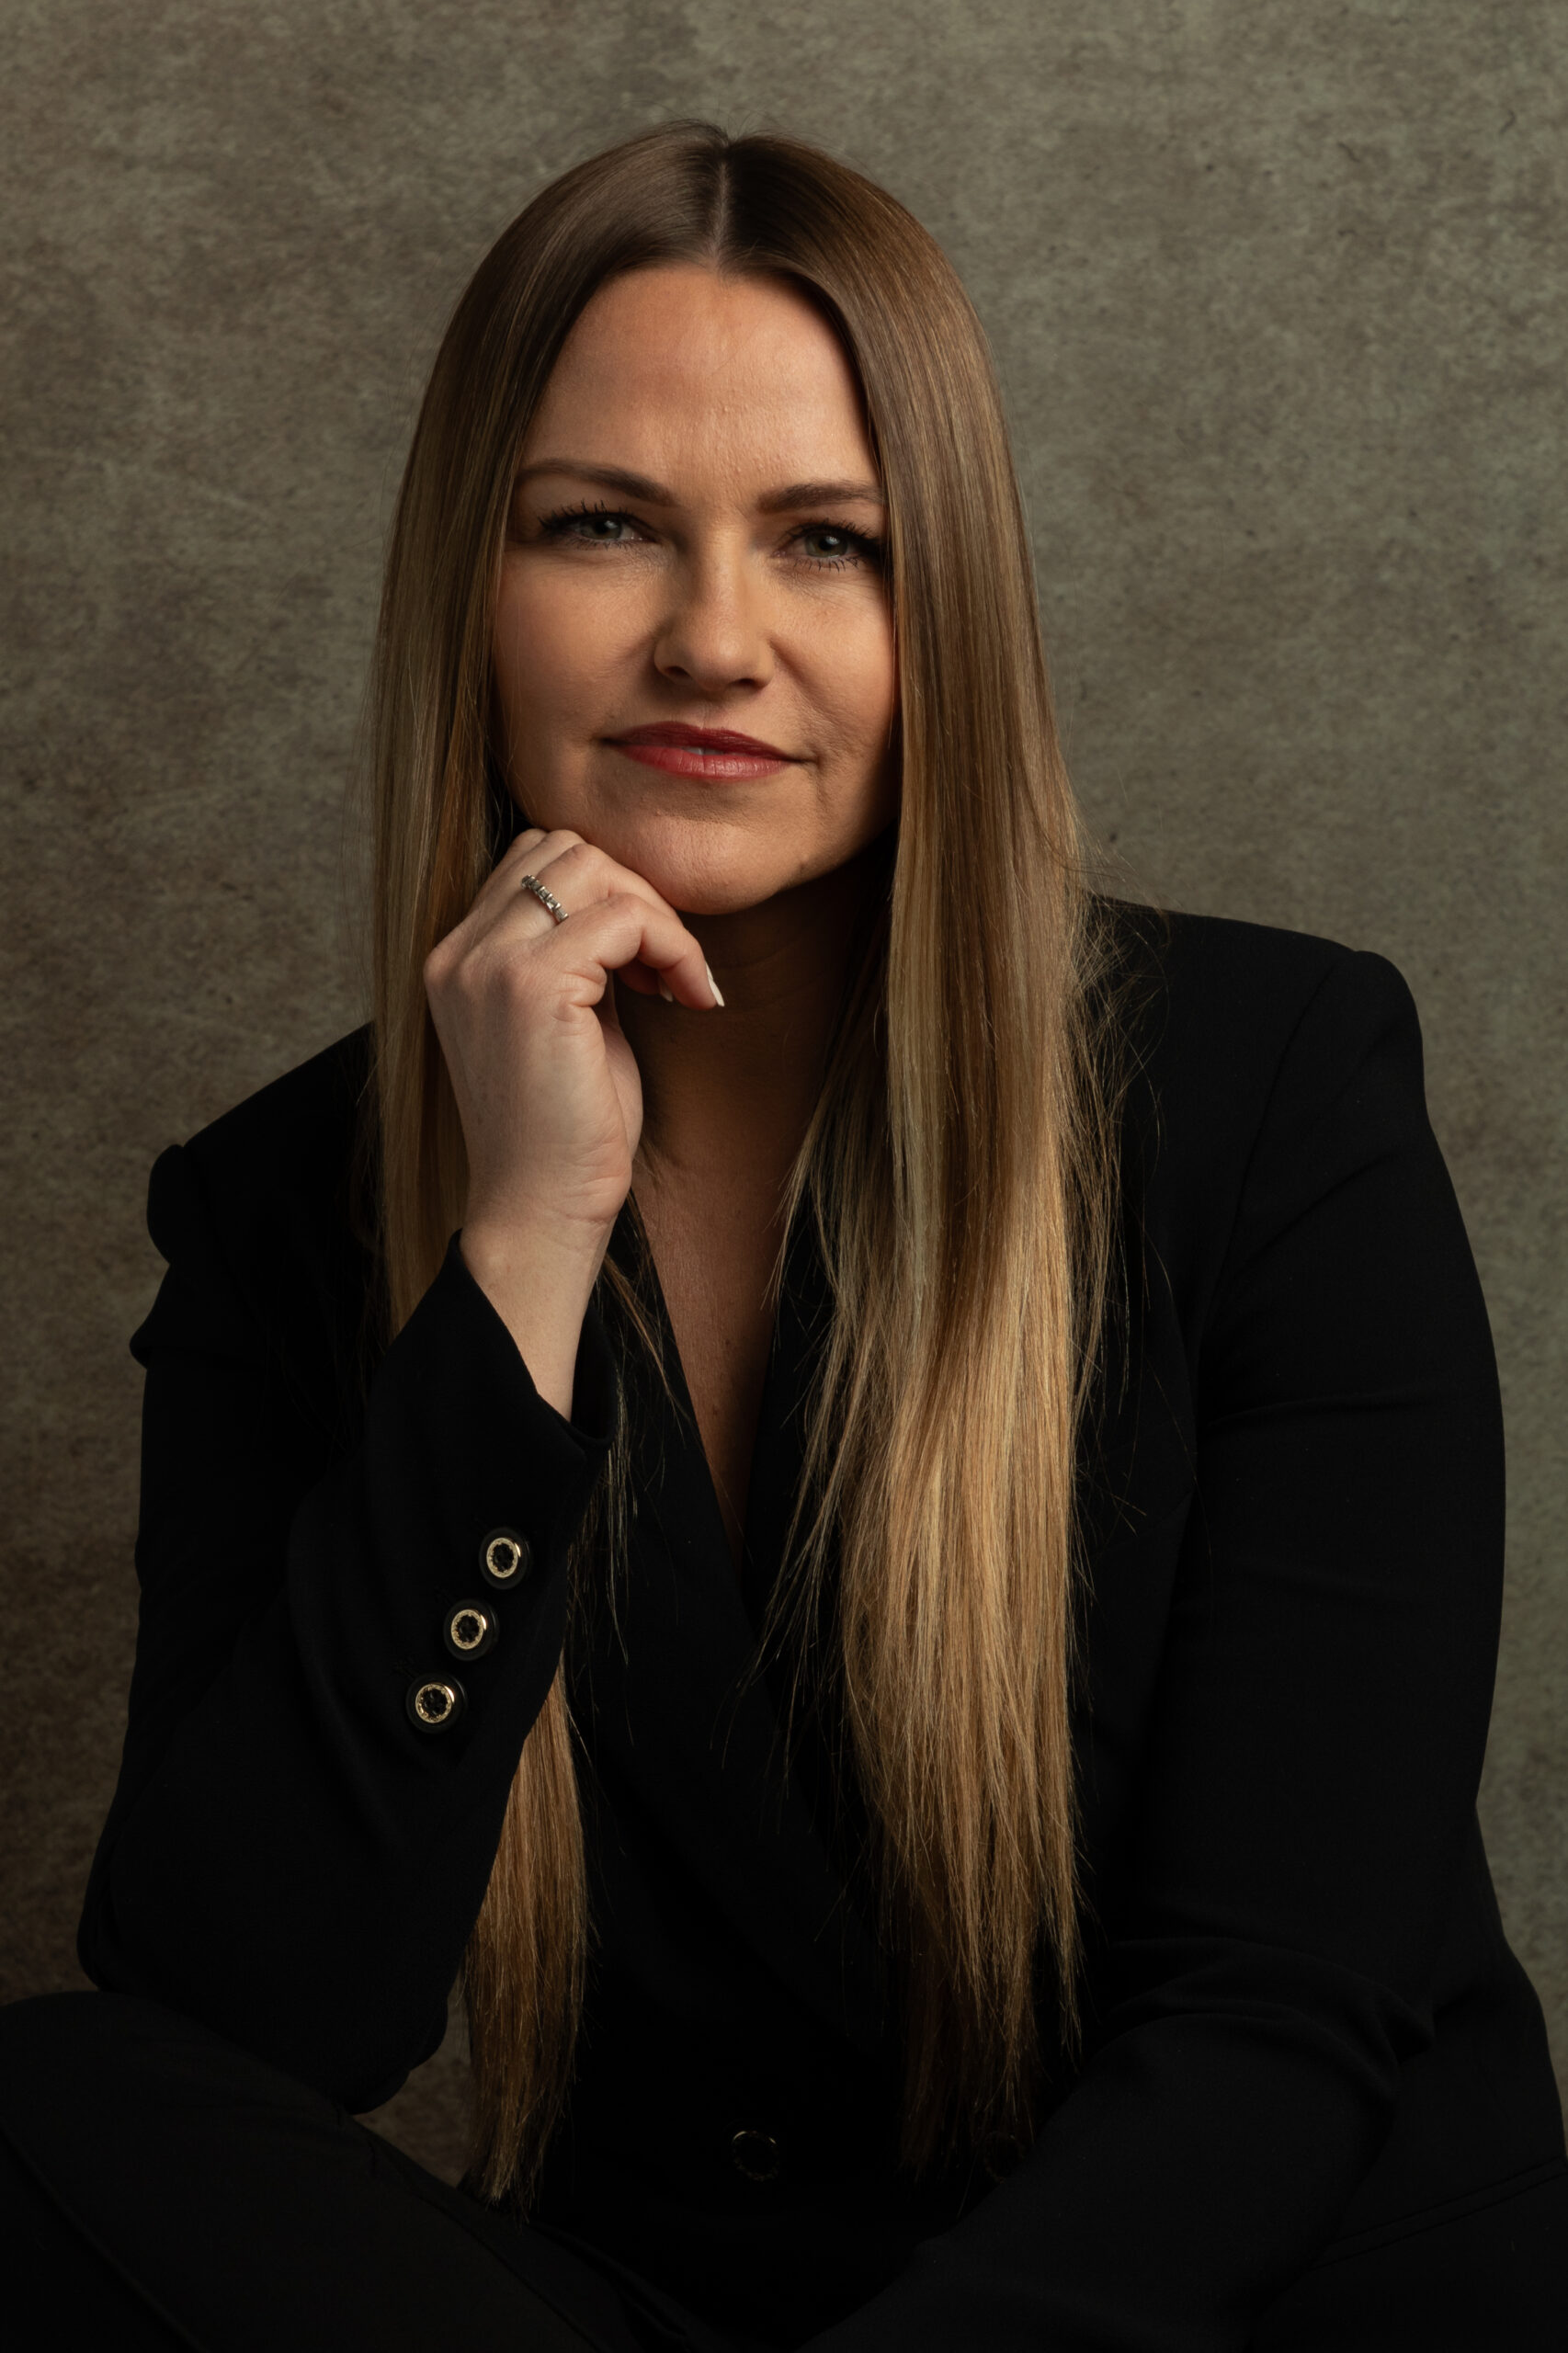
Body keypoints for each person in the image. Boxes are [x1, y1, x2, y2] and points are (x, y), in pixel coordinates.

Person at [1, 121, 1562, 2353]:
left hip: (1239, 2306)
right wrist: (523, 1243)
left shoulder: (1270, 1090)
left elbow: (1273, 2031)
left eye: (826, 542)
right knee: (45, 2113)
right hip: (687, 2308)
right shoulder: (286, 1210)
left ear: (948, 619)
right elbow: (253, 2020)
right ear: (476, 581)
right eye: (601, 525)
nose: (710, 638)